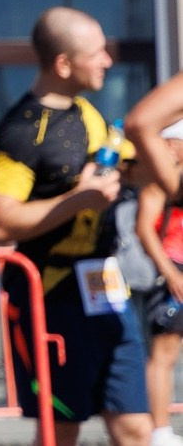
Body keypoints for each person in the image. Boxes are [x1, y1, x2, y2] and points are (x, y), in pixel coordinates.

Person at [0, 5, 149, 446]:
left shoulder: (89, 114)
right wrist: (76, 199)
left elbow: (110, 169)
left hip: (106, 287)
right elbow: (0, 223)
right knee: (61, 429)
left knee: (135, 426)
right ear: (63, 63)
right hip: (50, 295)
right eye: (97, 53)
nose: (107, 61)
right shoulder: (20, 132)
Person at [131, 124, 183, 446]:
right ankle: (159, 431)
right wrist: (172, 274)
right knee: (163, 354)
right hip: (171, 270)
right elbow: (145, 227)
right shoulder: (160, 176)